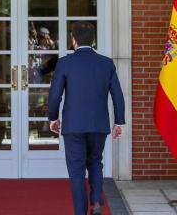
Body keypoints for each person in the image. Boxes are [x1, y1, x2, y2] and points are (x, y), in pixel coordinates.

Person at [48, 21, 125, 215]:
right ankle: (97, 201)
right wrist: (119, 121)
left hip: (73, 126)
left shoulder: (65, 63)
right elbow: (117, 94)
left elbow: (55, 94)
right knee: (95, 162)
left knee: (76, 172)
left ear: (73, 40)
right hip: (99, 125)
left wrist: (53, 118)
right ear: (93, 41)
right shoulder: (106, 63)